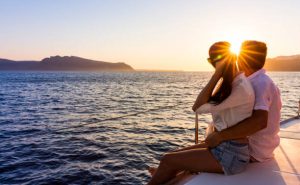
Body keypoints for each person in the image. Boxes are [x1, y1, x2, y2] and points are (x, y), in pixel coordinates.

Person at [147, 41, 256, 185]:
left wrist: (217, 74)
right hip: (225, 147)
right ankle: (171, 175)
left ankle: (166, 175)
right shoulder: (234, 83)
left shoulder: (239, 87)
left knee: (168, 160)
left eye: (213, 61)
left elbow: (197, 108)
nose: (213, 64)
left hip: (231, 156)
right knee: (170, 158)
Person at [205, 41, 282, 163]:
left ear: (243, 57)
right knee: (179, 156)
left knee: (171, 161)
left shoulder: (261, 83)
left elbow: (260, 122)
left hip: (253, 151)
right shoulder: (254, 80)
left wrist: (220, 136)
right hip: (250, 146)